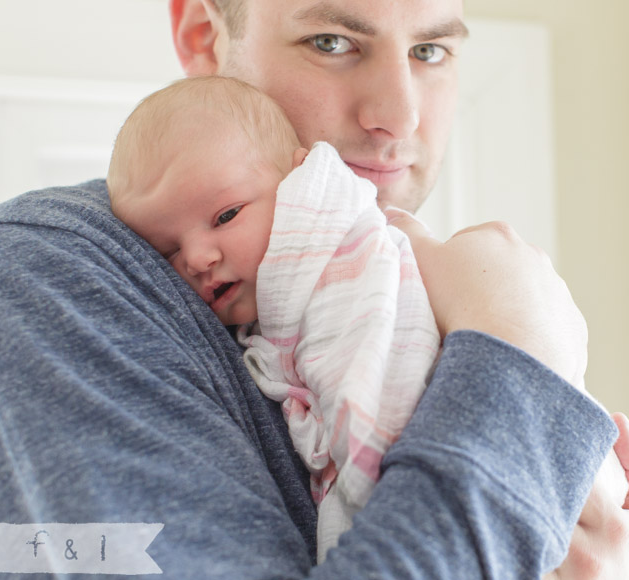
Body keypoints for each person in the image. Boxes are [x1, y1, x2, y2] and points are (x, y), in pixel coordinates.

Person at [0, 0, 629, 577]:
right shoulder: (54, 276)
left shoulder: (414, 297)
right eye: (332, 42)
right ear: (204, 35)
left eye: (430, 50)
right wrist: (520, 351)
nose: (399, 117)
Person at [106, 75, 442, 562]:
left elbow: (379, 380)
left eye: (226, 216)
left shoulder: (348, 259)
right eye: (167, 250)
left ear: (300, 180)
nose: (198, 256)